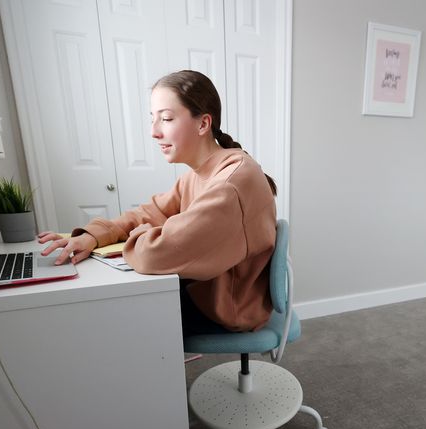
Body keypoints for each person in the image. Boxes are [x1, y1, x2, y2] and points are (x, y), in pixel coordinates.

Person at [39, 70, 278, 334]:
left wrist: (144, 233)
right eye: (152, 119)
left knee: (112, 317)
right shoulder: (197, 175)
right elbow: (150, 212)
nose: (154, 132)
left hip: (227, 308)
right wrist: (94, 236)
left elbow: (156, 253)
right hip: (205, 291)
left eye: (166, 118)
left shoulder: (231, 183)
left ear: (203, 124)